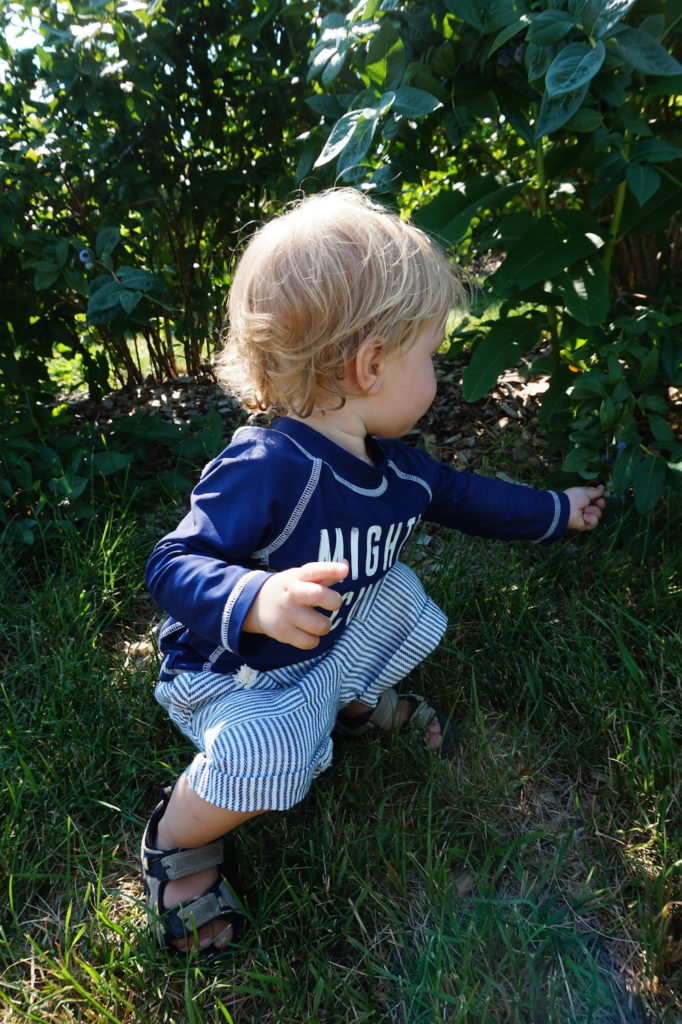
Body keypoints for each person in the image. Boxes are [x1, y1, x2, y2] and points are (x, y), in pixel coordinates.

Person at [141, 188, 606, 955]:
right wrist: (256, 597)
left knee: (395, 592)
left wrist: (557, 509)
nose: (439, 369)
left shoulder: (396, 471)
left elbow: (475, 500)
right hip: (235, 677)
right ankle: (176, 838)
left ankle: (347, 702)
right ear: (371, 365)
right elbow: (172, 563)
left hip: (321, 645)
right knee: (272, 753)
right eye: (431, 353)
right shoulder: (267, 464)